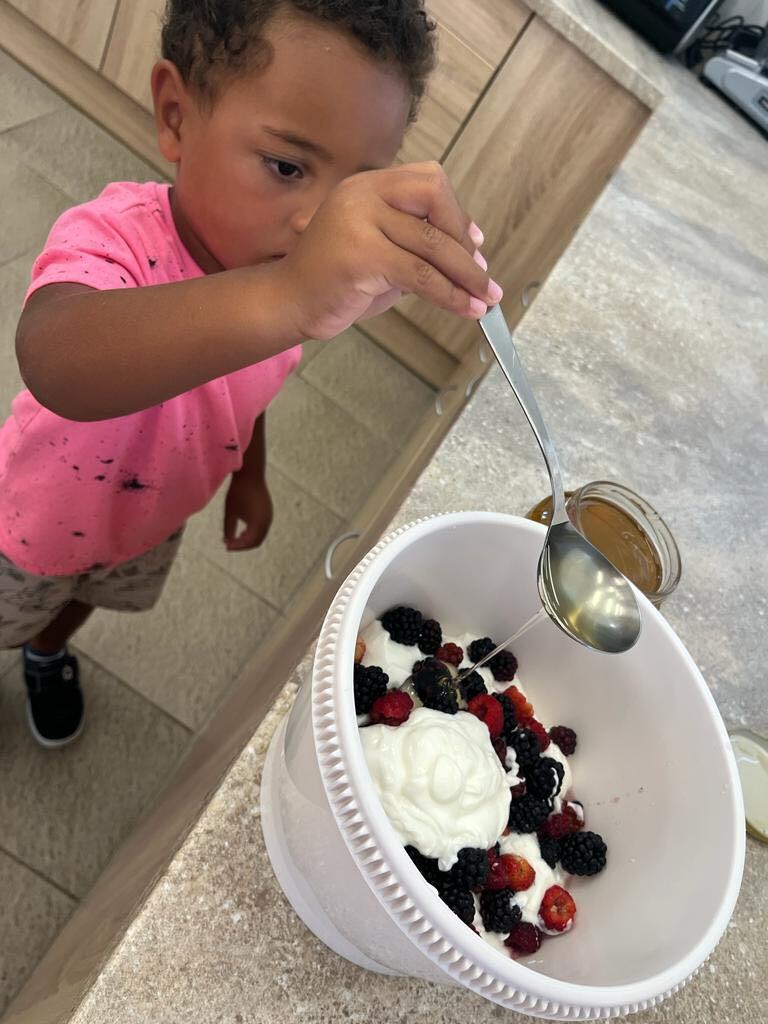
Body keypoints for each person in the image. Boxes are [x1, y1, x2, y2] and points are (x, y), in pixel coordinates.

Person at [1, 0, 502, 748]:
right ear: (176, 114)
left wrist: (250, 475)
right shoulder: (119, 237)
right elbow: (57, 359)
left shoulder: (281, 300)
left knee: (81, 603)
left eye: (351, 193)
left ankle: (47, 652)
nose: (320, 226)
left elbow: (247, 389)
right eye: (287, 167)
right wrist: (288, 297)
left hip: (147, 522)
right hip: (31, 519)